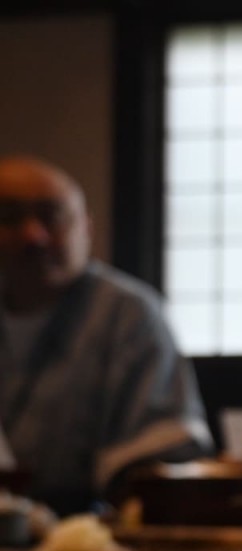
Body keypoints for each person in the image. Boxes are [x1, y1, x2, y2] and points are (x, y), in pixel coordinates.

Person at [0, 155, 211, 514]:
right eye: (10, 217)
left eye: (52, 216)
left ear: (86, 228)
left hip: (92, 528)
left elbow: (163, 448)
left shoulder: (129, 315)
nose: (33, 235)